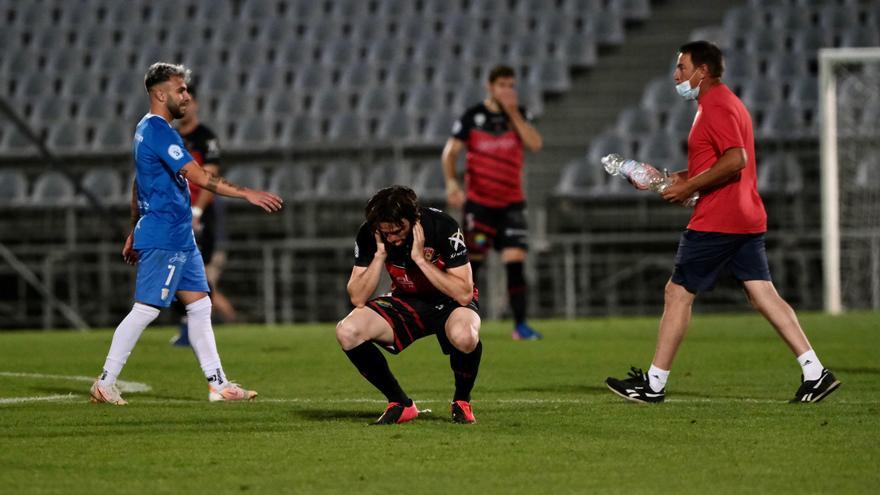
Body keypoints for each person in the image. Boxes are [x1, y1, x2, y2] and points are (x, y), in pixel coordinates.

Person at [605, 41, 840, 404]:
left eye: (682, 67)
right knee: (762, 292)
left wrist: (692, 186)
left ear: (703, 70)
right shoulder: (723, 103)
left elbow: (736, 160)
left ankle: (653, 384)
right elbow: (712, 167)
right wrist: (668, 179)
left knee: (677, 292)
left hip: (720, 218)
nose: (676, 75)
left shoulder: (715, 105)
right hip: (744, 215)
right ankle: (815, 372)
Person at [89, 62, 283, 405]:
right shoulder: (158, 130)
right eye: (180, 90)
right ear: (160, 94)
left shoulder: (150, 129)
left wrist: (134, 228)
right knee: (147, 309)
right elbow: (197, 175)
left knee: (200, 306)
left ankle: (219, 384)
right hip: (165, 232)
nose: (187, 96)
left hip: (178, 233)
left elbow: (139, 182)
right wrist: (246, 193)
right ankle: (105, 381)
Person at [335, 186, 482, 424]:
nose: (392, 238)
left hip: (451, 302)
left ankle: (461, 401)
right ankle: (400, 403)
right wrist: (380, 256)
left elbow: (464, 293)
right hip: (408, 300)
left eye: (397, 230)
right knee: (347, 331)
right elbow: (358, 297)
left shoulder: (442, 226)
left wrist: (420, 261)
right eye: (386, 233)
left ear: (414, 219)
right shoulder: (371, 234)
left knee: (465, 337)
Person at [441, 64, 544, 341]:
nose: (507, 90)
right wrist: (452, 184)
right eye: (502, 85)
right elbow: (450, 153)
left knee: (515, 261)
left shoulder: (519, 115)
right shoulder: (473, 117)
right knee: (473, 265)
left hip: (511, 205)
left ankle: (520, 326)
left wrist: (512, 113)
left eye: (511, 85)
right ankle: (459, 321)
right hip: (480, 206)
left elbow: (535, 144)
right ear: (490, 86)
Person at [170, 84, 234, 346]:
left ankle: (202, 327)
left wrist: (197, 211)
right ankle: (191, 327)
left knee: (199, 273)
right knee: (177, 271)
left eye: (188, 100)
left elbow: (209, 179)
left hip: (202, 215)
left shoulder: (206, 137)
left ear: (195, 104)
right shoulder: (170, 136)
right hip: (177, 214)